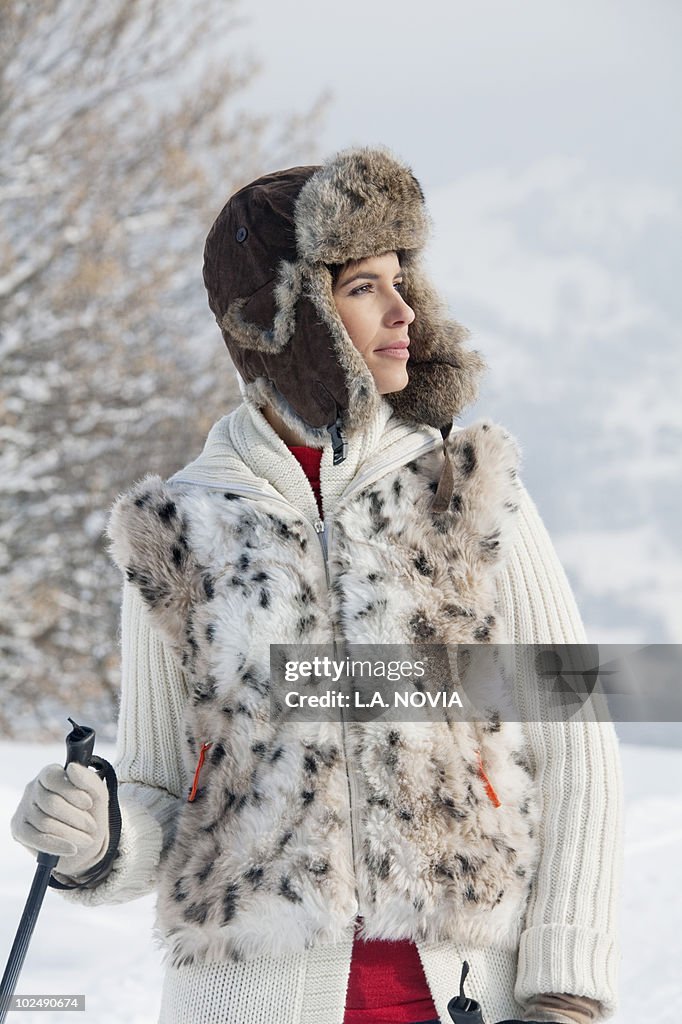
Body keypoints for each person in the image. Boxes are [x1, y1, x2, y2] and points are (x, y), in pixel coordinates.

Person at [11, 145, 623, 1024]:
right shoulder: (177, 531)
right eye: (362, 285)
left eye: (401, 276)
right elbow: (161, 789)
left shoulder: (465, 489)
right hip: (243, 1003)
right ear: (283, 317)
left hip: (458, 998)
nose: (404, 308)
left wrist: (565, 993)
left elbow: (578, 746)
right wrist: (98, 839)